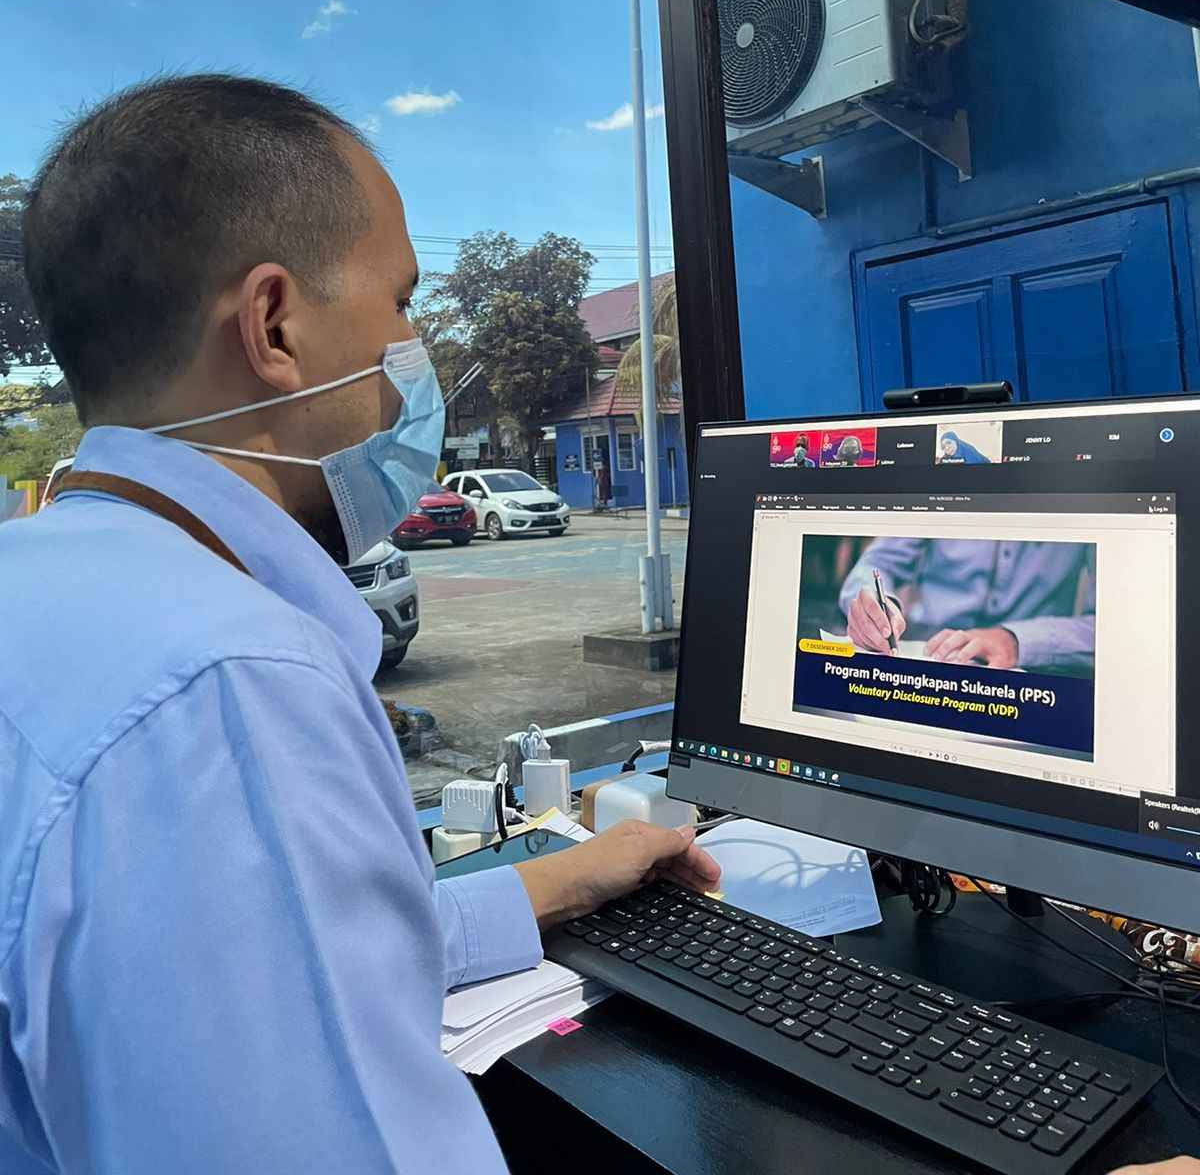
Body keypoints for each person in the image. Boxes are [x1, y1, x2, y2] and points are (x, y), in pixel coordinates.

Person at [0, 75, 720, 1175]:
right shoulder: (228, 690)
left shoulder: (42, 580)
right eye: (400, 301)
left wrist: (559, 882)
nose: (413, 349)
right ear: (274, 325)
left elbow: (280, 960)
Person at [841, 536, 1095, 672]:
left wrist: (1015, 640)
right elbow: (875, 565)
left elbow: (1109, 628)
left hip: (1034, 673)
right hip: (926, 650)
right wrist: (872, 606)